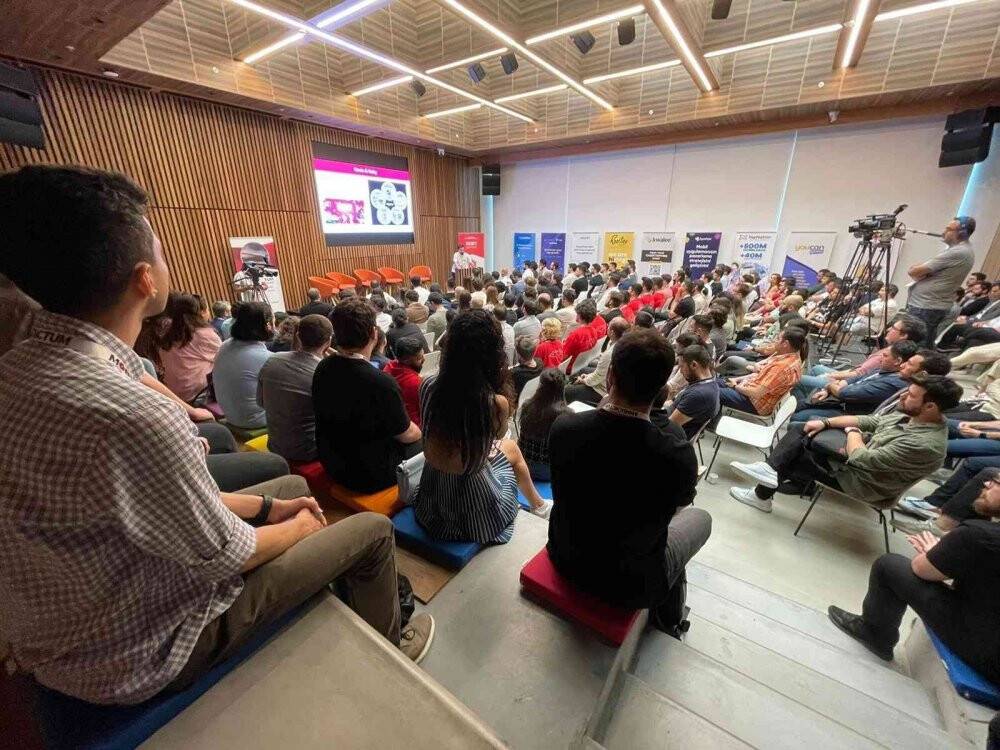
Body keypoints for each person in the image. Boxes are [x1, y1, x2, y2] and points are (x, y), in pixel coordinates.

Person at [0, 165, 433, 707]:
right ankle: (392, 648)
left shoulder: (20, 366)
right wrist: (300, 527)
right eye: (160, 247)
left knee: (291, 488)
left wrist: (269, 508)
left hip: (87, 603)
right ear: (145, 279)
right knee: (369, 530)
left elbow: (174, 504)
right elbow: (228, 556)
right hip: (142, 647)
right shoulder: (137, 417)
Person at [548, 329, 710, 634]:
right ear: (663, 388)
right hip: (631, 585)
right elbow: (676, 507)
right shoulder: (677, 455)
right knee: (700, 518)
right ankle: (669, 616)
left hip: (565, 557)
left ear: (610, 376)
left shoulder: (565, 427)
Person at [827, 478, 1000, 684]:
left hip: (988, 653)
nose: (987, 483)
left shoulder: (978, 534)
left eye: (997, 482)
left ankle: (875, 634)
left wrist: (934, 552)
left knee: (888, 566)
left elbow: (921, 569)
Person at [729, 376, 961, 514]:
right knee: (805, 428)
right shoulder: (911, 415)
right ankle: (768, 478)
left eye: (910, 395)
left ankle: (763, 491)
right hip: (857, 461)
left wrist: (852, 432)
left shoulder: (925, 444)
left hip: (863, 483)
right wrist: (826, 422)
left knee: (796, 450)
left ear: (930, 407)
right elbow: (869, 421)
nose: (902, 397)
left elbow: (863, 459)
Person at [414, 310, 552, 542]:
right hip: (473, 497)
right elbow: (498, 437)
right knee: (512, 448)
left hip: (432, 485)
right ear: (493, 354)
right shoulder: (494, 403)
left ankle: (539, 505)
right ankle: (539, 505)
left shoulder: (426, 384)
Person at [313, 298, 422, 493]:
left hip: (331, 463)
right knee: (425, 442)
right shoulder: (381, 382)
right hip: (369, 476)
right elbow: (407, 434)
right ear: (374, 333)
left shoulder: (322, 367)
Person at [793, 315, 926, 402]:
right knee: (817, 368)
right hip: (850, 379)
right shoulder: (891, 351)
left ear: (903, 336)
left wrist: (832, 378)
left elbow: (860, 376)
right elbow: (860, 372)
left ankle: (804, 403)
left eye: (894, 328)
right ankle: (809, 398)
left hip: (849, 385)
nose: (888, 329)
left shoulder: (891, 358)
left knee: (796, 379)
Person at [256, 314, 332, 464]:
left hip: (275, 444)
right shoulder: (325, 373)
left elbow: (260, 402)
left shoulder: (273, 359)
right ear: (329, 341)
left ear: (297, 335)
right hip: (310, 451)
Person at [790, 340, 917, 422]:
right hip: (841, 397)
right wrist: (834, 386)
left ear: (898, 361)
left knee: (796, 416)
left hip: (848, 410)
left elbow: (845, 393)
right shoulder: (885, 369)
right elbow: (857, 377)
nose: (881, 358)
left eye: (885, 356)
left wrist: (830, 386)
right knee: (803, 404)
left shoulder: (892, 383)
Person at [906, 216, 977, 346]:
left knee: (914, 345)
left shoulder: (959, 252)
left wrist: (918, 269)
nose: (944, 232)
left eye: (948, 229)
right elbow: (919, 272)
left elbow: (914, 272)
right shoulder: (960, 250)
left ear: (962, 233)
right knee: (918, 344)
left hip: (927, 307)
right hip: (927, 306)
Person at [213, 301, 274, 429]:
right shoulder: (265, 358)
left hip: (230, 415)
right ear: (267, 325)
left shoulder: (225, 345)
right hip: (255, 420)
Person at [718, 328, 805, 415]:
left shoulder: (782, 367)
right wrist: (736, 380)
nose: (775, 341)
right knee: (716, 383)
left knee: (712, 391)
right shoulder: (792, 358)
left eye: (778, 338)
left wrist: (735, 386)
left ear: (785, 344)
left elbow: (756, 393)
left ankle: (714, 420)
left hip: (753, 402)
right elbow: (759, 374)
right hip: (749, 389)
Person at [157, 292, 222, 403]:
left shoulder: (166, 332)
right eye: (207, 309)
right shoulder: (204, 334)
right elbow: (226, 358)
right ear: (201, 312)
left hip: (174, 394)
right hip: (198, 394)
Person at [518, 368, 571, 482]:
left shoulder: (526, 405)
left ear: (540, 386)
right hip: (548, 471)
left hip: (523, 465)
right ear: (561, 388)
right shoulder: (566, 414)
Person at [564, 316, 629, 407]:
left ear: (612, 332)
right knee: (583, 370)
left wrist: (583, 380)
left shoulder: (610, 354)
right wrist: (587, 377)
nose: (607, 327)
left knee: (567, 390)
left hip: (604, 390)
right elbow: (600, 373)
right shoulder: (622, 343)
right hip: (608, 381)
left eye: (608, 326)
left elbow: (597, 377)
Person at [667, 344, 720, 440]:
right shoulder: (707, 383)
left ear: (694, 365)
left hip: (669, 439)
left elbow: (668, 426)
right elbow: (673, 403)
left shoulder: (699, 395)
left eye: (682, 367)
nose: (681, 371)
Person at [938, 282, 1000, 349]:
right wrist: (967, 318)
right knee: (954, 320)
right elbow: (979, 314)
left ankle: (944, 345)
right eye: (991, 291)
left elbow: (987, 318)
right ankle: (942, 342)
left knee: (956, 325)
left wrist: (968, 320)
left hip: (984, 325)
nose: (992, 293)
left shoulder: (994, 303)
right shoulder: (992, 301)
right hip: (978, 322)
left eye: (995, 291)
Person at [383, 336, 425, 429]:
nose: (424, 359)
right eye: (419, 358)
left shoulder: (389, 366)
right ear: (406, 360)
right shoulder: (415, 382)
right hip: (415, 427)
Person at [562, 298, 600, 374]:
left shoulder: (575, 334)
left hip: (569, 367)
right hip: (581, 363)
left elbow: (564, 357)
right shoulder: (594, 331)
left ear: (579, 315)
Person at [512, 335, 543, 401]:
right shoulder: (540, 363)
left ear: (519, 355)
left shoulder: (515, 373)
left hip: (520, 400)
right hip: (534, 397)